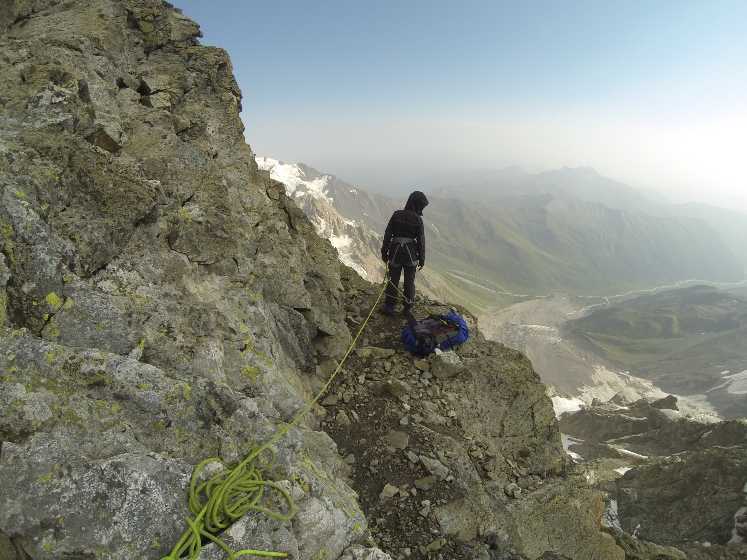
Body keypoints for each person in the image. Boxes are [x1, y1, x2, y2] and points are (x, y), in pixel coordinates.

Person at [381, 190, 429, 315]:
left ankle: (389, 306)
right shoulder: (418, 219)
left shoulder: (396, 215)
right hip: (411, 254)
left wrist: (384, 252)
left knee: (393, 279)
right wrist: (422, 259)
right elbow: (421, 241)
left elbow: (387, 235)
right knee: (409, 281)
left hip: (395, 252)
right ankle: (407, 308)